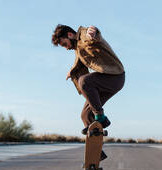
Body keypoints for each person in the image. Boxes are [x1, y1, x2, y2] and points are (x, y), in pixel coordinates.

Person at [52, 24, 125, 160]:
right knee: (85, 115)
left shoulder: (84, 35)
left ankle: (101, 117)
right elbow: (78, 62)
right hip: (106, 81)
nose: (66, 48)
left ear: (69, 35)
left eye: (64, 44)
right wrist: (71, 71)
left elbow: (93, 37)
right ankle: (97, 152)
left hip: (115, 76)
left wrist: (94, 32)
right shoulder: (78, 48)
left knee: (84, 81)